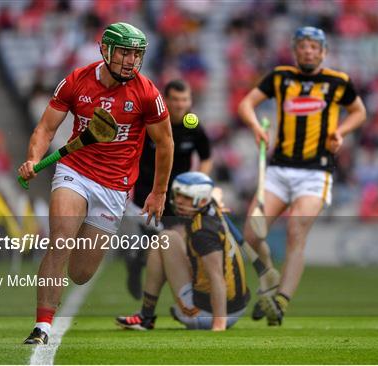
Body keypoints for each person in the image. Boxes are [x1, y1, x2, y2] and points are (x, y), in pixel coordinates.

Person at [18, 22, 174, 344]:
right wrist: (33, 158)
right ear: (106, 51)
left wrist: (158, 192)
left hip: (114, 187)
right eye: (125, 52)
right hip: (74, 171)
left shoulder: (147, 93)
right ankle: (42, 326)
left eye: (137, 54)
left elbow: (166, 143)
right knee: (60, 239)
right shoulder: (77, 81)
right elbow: (46, 128)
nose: (131, 60)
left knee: (80, 273)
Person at [238, 26, 366, 325]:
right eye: (303, 46)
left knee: (297, 232)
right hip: (279, 169)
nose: (308, 51)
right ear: (295, 50)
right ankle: (269, 278)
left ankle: (280, 302)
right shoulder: (281, 77)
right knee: (251, 234)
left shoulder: (338, 82)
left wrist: (340, 131)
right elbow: (246, 104)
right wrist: (257, 127)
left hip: (315, 172)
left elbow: (360, 112)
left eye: (314, 46)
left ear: (323, 52)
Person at [116, 172, 250, 331]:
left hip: (212, 313)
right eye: (178, 195)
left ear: (202, 199)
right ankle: (146, 316)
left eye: (186, 197)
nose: (179, 201)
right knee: (167, 239)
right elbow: (217, 192)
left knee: (165, 239)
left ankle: (146, 317)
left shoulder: (203, 232)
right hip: (236, 307)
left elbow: (217, 278)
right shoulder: (209, 207)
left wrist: (218, 325)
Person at [125, 79, 213, 299]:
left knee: (174, 243)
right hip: (147, 195)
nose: (181, 105)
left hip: (177, 199)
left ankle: (181, 295)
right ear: (166, 100)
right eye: (176, 99)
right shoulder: (150, 124)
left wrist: (200, 182)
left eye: (185, 99)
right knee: (152, 246)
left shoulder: (193, 127)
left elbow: (206, 157)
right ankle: (137, 267)